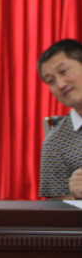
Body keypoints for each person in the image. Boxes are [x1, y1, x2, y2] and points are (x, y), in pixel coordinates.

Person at [37, 39, 82, 200]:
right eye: (51, 81)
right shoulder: (55, 144)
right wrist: (75, 196)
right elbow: (56, 208)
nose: (61, 84)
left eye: (63, 71)